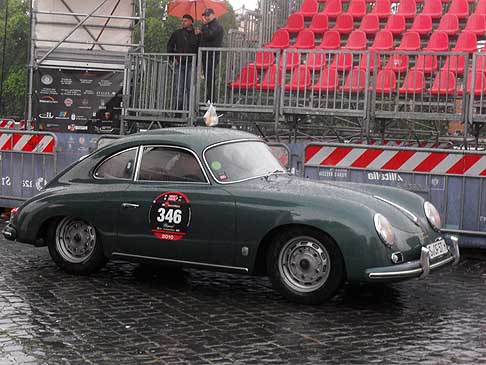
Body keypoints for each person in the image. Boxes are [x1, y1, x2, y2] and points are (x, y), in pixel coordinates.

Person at [167, 14, 199, 112]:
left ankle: (190, 111)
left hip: (191, 65)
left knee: (190, 89)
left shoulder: (196, 34)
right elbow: (169, 46)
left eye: (185, 20)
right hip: (180, 63)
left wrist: (199, 35)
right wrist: (173, 58)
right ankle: (178, 111)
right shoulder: (177, 33)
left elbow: (199, 47)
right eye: (183, 20)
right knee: (179, 89)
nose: (183, 22)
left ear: (190, 22)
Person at [195, 8, 224, 103]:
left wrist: (203, 28)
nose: (206, 17)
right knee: (207, 77)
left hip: (211, 55)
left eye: (208, 15)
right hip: (205, 55)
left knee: (210, 77)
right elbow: (203, 38)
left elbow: (209, 35)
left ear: (213, 15)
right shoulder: (207, 26)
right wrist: (199, 33)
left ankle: (211, 99)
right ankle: (208, 98)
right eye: (205, 15)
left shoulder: (217, 26)